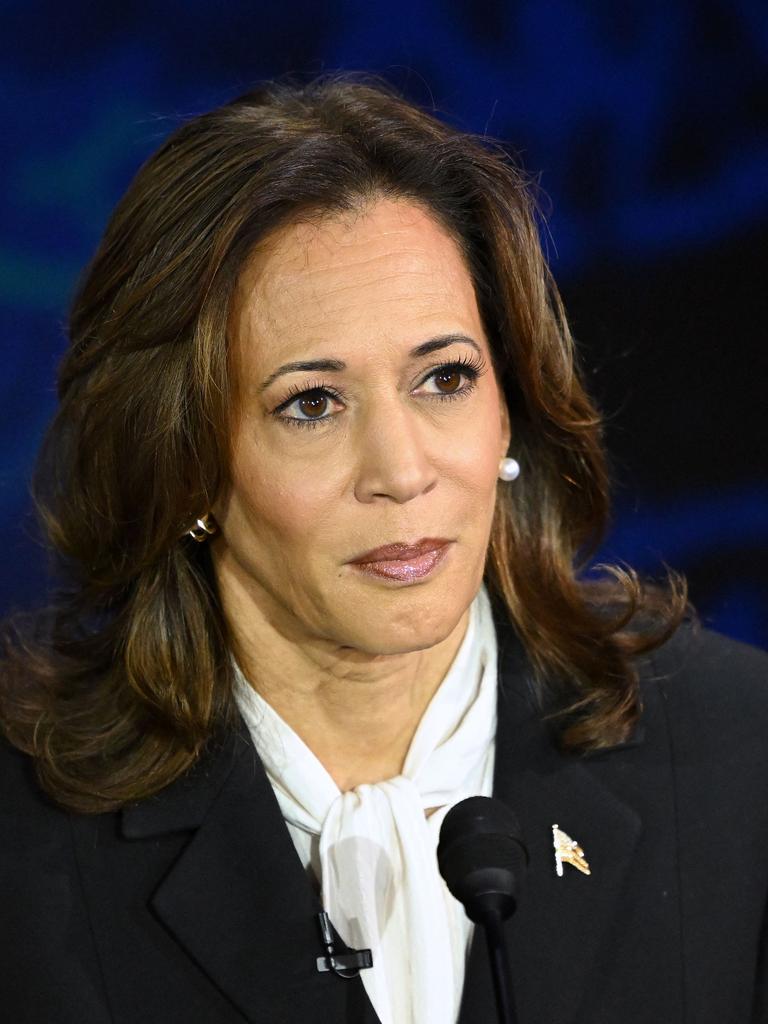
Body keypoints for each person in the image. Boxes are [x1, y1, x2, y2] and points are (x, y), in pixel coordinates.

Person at [1, 73, 766, 1024]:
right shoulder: (26, 864)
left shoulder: (743, 760)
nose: (402, 472)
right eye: (312, 404)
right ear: (184, 465)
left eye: (445, 379)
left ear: (508, 413)